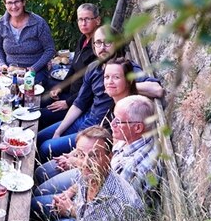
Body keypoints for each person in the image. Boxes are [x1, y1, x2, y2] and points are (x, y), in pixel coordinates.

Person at [36, 25, 164, 162]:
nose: (102, 46)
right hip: (86, 119)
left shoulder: (125, 67)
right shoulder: (93, 67)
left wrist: (121, 84)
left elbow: (156, 89)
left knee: (45, 148)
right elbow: (79, 103)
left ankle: (53, 172)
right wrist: (58, 131)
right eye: (98, 42)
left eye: (107, 42)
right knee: (39, 138)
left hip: (100, 130)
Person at [35, 95, 162, 207]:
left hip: (91, 216)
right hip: (88, 188)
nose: (112, 124)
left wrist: (69, 209)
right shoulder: (129, 139)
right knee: (41, 176)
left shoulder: (133, 167)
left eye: (118, 121)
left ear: (138, 127)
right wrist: (70, 191)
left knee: (36, 204)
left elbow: (107, 212)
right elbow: (95, 175)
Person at [29, 127, 144, 221]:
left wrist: (70, 211)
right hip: (79, 215)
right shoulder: (90, 172)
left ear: (110, 156)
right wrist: (69, 193)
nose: (85, 163)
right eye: (80, 155)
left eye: (94, 156)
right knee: (33, 204)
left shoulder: (120, 202)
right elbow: (80, 184)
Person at [35, 57, 138, 186]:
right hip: (86, 154)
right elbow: (81, 102)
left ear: (128, 81)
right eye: (106, 77)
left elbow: (106, 156)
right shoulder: (112, 105)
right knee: (40, 171)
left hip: (98, 172)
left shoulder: (126, 112)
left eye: (116, 77)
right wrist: (72, 154)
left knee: (42, 169)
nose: (109, 82)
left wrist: (75, 160)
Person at [40, 3, 101, 128]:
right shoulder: (83, 39)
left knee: (41, 115)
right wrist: (60, 87)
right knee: (40, 99)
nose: (83, 23)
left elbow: (90, 89)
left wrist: (68, 102)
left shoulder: (98, 48)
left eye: (87, 19)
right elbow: (73, 67)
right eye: (80, 19)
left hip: (80, 103)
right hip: (71, 93)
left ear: (97, 20)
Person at [0, 0, 56, 85]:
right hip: (11, 72)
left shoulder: (38, 23)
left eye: (17, 2)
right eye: (9, 3)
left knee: (28, 91)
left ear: (23, 2)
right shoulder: (1, 24)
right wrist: (2, 64)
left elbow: (50, 49)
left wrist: (33, 68)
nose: (13, 6)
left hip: (35, 71)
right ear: (5, 4)